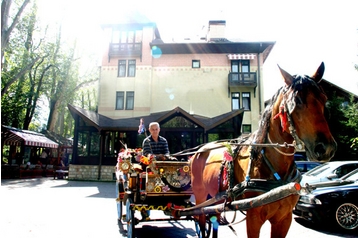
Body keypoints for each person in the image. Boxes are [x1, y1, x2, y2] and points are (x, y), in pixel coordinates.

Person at [141, 122, 170, 221]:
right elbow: (147, 154)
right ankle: (145, 204)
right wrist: (158, 156)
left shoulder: (164, 140)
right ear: (149, 130)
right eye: (152, 129)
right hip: (149, 165)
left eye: (156, 129)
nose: (154, 131)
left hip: (162, 165)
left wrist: (163, 156)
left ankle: (169, 198)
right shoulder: (146, 141)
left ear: (159, 130)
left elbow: (167, 153)